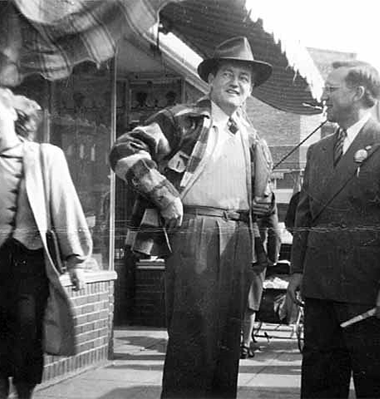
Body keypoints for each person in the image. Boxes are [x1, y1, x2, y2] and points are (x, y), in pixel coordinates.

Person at [109, 36, 273, 399]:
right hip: (195, 232)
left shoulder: (252, 137)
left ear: (250, 89)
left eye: (244, 78)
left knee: (230, 342)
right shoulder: (184, 119)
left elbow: (263, 198)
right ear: (210, 80)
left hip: (240, 237)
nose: (236, 83)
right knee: (192, 339)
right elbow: (124, 149)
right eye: (228, 73)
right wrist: (163, 193)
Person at [287, 60, 380, 398]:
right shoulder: (317, 151)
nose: (323, 96)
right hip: (319, 292)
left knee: (377, 385)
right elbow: (305, 217)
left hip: (368, 294)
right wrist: (297, 271)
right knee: (319, 385)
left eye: (331, 89)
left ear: (359, 93)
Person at [0, 86, 92, 399]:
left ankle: (24, 395)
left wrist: (75, 261)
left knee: (26, 333)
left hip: (29, 264)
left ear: (13, 113)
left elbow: (64, 206)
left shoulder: (45, 157)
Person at [241, 195, 281, 359]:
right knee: (250, 302)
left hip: (228, 250)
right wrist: (272, 256)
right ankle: (245, 344)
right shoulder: (265, 195)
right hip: (255, 253)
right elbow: (274, 231)